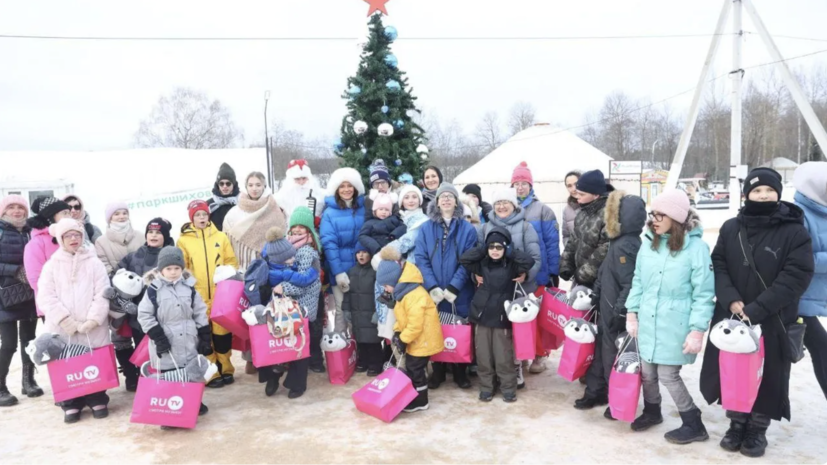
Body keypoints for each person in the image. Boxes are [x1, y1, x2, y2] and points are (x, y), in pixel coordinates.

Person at [701, 168, 814, 458]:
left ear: (778, 193)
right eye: (756, 191)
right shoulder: (730, 228)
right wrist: (730, 299)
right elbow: (719, 263)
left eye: (769, 191)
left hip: (773, 317)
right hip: (733, 314)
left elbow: (797, 274)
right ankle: (736, 424)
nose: (763, 195)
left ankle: (757, 429)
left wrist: (757, 308)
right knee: (735, 371)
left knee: (769, 373)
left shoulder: (794, 231)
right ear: (746, 195)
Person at [624, 189, 715, 444]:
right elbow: (638, 282)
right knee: (647, 372)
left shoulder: (696, 248)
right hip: (649, 319)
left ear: (675, 217)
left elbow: (704, 293)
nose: (654, 219)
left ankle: (693, 422)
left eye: (660, 214)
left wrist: (697, 329)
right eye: (652, 214)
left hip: (676, 322)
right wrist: (632, 312)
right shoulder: (648, 244)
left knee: (667, 374)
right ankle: (652, 411)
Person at [38, 218, 111, 423]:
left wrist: (94, 319)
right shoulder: (51, 265)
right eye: (68, 235)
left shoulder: (94, 262)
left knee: (92, 360)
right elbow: (46, 296)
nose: (73, 239)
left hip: (91, 326)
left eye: (77, 235)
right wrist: (64, 319)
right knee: (65, 363)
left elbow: (103, 293)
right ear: (60, 238)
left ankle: (97, 397)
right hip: (62, 326)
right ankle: (71, 402)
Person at [589, 190, 647, 420]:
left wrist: (620, 309)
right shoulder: (619, 241)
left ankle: (616, 401)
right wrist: (596, 293)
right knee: (604, 354)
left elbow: (630, 281)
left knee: (614, 357)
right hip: (607, 305)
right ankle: (603, 394)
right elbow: (605, 272)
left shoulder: (626, 245)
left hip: (615, 310)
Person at [138, 246, 211, 424]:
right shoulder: (153, 290)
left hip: (188, 339)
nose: (173, 272)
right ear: (161, 269)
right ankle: (169, 408)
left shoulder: (189, 288)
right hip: (165, 341)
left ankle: (193, 400)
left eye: (177, 268)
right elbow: (144, 315)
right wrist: (158, 337)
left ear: (182, 268)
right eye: (168, 269)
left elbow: (200, 311)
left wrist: (204, 335)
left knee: (190, 371)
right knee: (170, 375)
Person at [414, 183, 477, 389]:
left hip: (459, 290)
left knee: (458, 327)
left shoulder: (467, 229)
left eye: (450, 196)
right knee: (435, 328)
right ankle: (438, 372)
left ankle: (460, 372)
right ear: (437, 202)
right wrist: (431, 286)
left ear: (456, 201)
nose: (446, 200)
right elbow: (421, 258)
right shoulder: (425, 228)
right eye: (443, 197)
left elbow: (469, 260)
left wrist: (454, 287)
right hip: (434, 290)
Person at [461, 227, 534, 403]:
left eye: (499, 247)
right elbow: (464, 259)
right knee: (484, 356)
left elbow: (529, 261)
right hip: (482, 314)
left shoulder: (512, 264)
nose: (495, 250)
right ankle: (487, 387)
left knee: (503, 355)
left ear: (506, 248)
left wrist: (509, 250)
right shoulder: (482, 263)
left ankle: (508, 387)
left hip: (502, 315)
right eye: (491, 247)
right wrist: (483, 247)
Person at [560, 169, 614, 408]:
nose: (576, 195)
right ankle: (593, 385)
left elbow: (605, 248)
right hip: (584, 285)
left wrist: (584, 274)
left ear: (594, 193)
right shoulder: (582, 212)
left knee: (602, 337)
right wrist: (566, 264)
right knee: (586, 333)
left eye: (580, 192)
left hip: (602, 285)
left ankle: (601, 389)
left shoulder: (609, 214)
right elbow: (574, 241)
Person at [246, 225, 320, 399]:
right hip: (277, 310)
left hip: (294, 308)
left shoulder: (302, 255)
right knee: (275, 342)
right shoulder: (276, 267)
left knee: (296, 342)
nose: (293, 258)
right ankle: (273, 377)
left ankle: (295, 383)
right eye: (293, 232)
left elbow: (310, 284)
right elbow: (303, 279)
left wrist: (284, 287)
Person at [178, 200, 239, 388]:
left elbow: (231, 261)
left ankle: (226, 368)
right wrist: (190, 287)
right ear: (192, 218)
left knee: (222, 334)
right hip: (198, 296)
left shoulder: (220, 237)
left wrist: (227, 274)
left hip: (220, 294)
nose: (202, 218)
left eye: (204, 214)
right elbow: (183, 268)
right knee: (204, 335)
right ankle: (210, 372)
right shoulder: (183, 240)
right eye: (197, 215)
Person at [377, 246, 443, 413]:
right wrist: (398, 332)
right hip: (416, 339)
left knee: (415, 369)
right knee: (413, 368)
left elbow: (415, 324)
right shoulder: (403, 293)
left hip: (423, 340)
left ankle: (421, 400)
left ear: (393, 280)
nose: (385, 289)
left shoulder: (414, 295)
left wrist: (403, 339)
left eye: (386, 284)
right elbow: (402, 318)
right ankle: (413, 395)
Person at [111, 217, 174, 392]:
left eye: (158, 233)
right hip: (140, 318)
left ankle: (170, 385)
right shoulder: (133, 257)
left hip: (167, 317)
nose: (153, 236)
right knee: (145, 354)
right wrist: (123, 301)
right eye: (150, 232)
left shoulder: (173, 255)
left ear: (166, 236)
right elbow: (116, 278)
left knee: (168, 352)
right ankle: (148, 387)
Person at [512, 162, 561, 374]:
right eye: (516, 183)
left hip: (538, 273)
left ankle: (540, 355)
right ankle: (523, 353)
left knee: (538, 317)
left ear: (530, 185)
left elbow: (552, 244)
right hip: (515, 274)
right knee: (519, 315)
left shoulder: (543, 210)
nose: (520, 187)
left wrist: (553, 272)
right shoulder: (507, 207)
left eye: (524, 183)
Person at [0, 196, 42, 407]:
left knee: (29, 341)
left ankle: (28, 382)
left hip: (28, 293)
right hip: (3, 296)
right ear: (3, 211)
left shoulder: (31, 231)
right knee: (7, 344)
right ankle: (0, 388)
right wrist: (14, 270)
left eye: (20, 207)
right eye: (11, 207)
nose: (16, 211)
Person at [794, 162, 827, 400]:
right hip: (799, 299)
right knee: (821, 349)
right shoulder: (798, 215)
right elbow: (797, 259)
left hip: (817, 296)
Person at [320, 168, 366, 335]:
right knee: (341, 311)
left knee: (360, 312)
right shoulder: (329, 213)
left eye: (350, 185)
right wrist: (338, 272)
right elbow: (329, 244)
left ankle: (359, 350)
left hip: (361, 269)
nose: (346, 189)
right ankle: (341, 350)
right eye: (342, 186)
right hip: (339, 268)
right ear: (336, 189)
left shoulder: (363, 209)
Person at [285, 207, 325, 373]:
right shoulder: (288, 245)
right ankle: (304, 360)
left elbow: (305, 279)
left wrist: (284, 286)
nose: (297, 229)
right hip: (295, 296)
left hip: (309, 296)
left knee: (312, 330)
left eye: (302, 226)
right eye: (295, 226)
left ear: (308, 228)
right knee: (302, 330)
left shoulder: (308, 249)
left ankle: (314, 361)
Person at [223, 171, 287, 271]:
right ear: (246, 187)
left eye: (258, 185)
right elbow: (227, 236)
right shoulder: (235, 211)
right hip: (243, 266)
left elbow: (283, 231)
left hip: (270, 264)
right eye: (250, 185)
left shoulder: (274, 207)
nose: (254, 189)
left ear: (264, 186)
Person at [23, 197, 72, 316]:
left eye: (69, 213)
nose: (69, 217)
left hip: (77, 302)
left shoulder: (73, 237)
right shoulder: (36, 243)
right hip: (52, 307)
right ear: (51, 217)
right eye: (64, 213)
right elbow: (35, 279)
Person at [343, 245, 383, 376]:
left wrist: (379, 311)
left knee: (372, 340)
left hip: (371, 311)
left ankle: (375, 364)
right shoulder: (352, 271)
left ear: (370, 255)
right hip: (356, 311)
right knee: (360, 339)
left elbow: (380, 293)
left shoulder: (375, 272)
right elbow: (347, 293)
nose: (360, 255)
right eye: (358, 253)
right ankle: (363, 361)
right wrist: (346, 309)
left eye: (364, 252)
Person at [94, 202, 143, 275]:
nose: (122, 216)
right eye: (116, 214)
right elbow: (103, 266)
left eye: (125, 213)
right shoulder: (101, 242)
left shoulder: (140, 236)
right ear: (110, 218)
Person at [206, 163, 239, 231]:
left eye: (228, 183)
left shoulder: (242, 201)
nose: (224, 186)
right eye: (221, 183)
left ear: (233, 184)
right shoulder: (209, 204)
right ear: (218, 185)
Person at [562, 171, 582, 248]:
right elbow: (566, 236)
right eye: (569, 186)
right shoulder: (566, 211)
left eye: (576, 184)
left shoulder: (594, 203)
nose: (574, 189)